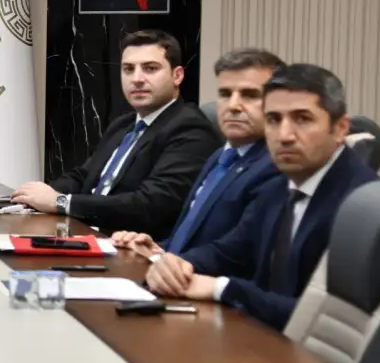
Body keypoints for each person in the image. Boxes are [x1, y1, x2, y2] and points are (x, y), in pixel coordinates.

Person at [144, 64, 380, 330]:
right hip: (258, 339)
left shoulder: (362, 206)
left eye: (302, 119)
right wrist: (177, 264)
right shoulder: (279, 185)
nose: (284, 136)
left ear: (340, 129)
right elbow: (230, 251)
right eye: (274, 120)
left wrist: (223, 288)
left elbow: (329, 321)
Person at [11, 30, 219, 237]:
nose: (137, 79)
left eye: (150, 68)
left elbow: (149, 205)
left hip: (132, 248)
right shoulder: (124, 124)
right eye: (128, 69)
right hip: (85, 235)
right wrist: (33, 197)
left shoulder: (191, 129)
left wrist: (60, 202)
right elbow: (83, 177)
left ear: (177, 75)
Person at [113, 48, 285, 256]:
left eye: (250, 95)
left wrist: (175, 262)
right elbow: (191, 238)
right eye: (225, 94)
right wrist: (157, 249)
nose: (233, 106)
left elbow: (241, 254)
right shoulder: (219, 157)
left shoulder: (277, 168)